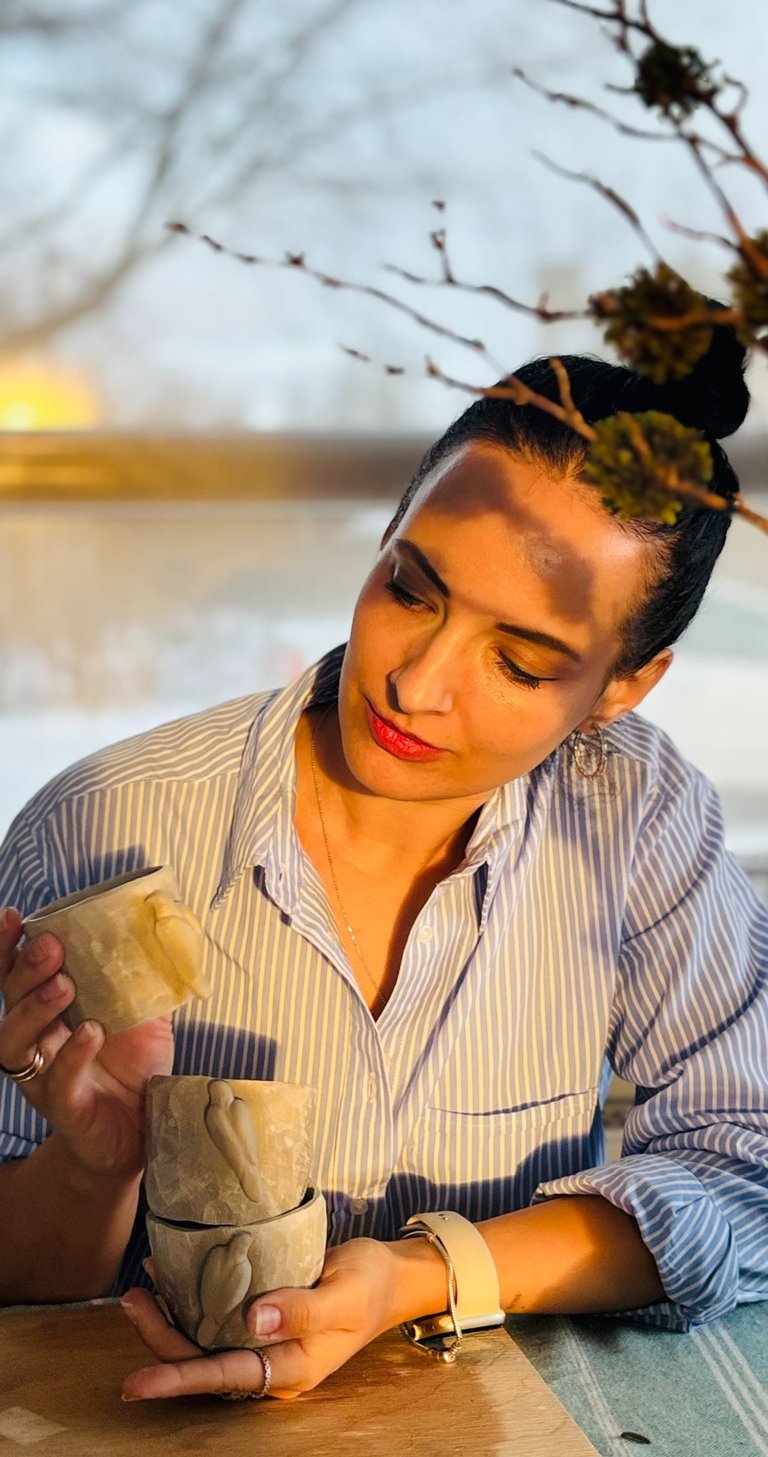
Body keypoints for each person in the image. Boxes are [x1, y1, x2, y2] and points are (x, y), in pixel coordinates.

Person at [0, 335, 766, 1404]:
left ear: (621, 687)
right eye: (410, 589)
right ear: (389, 534)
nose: (417, 682)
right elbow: (19, 1285)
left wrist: (423, 1274)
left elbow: (744, 1168)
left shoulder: (633, 812)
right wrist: (92, 1170)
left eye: (519, 661)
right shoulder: (105, 826)